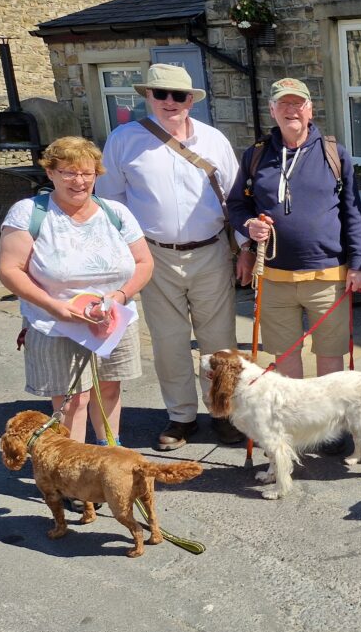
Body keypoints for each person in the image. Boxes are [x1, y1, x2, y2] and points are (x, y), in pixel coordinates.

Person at [95, 63, 248, 451]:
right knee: (169, 341)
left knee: (220, 342)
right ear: (147, 96)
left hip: (211, 251)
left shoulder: (213, 141)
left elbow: (235, 198)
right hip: (154, 256)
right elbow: (111, 201)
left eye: (177, 95)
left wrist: (245, 247)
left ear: (190, 101)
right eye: (159, 94)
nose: (168, 102)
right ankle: (181, 417)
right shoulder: (124, 139)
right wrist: (125, 256)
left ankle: (222, 413)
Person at [226, 78, 361, 447]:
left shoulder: (334, 152)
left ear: (310, 110)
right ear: (272, 110)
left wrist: (359, 262)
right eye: (283, 104)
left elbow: (352, 211)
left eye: (298, 104)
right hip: (273, 278)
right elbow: (237, 205)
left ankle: (329, 429)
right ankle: (292, 429)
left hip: (327, 273)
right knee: (285, 360)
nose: (291, 110)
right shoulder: (256, 154)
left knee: (330, 359)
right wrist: (248, 226)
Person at [0, 136, 153, 446]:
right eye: (68, 172)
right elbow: (9, 269)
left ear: (97, 175)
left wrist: (120, 297)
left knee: (108, 388)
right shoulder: (28, 213)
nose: (78, 181)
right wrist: (53, 305)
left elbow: (144, 262)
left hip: (112, 320)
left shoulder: (116, 213)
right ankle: (72, 466)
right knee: (73, 399)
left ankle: (109, 451)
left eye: (87, 172)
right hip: (56, 323)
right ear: (50, 173)